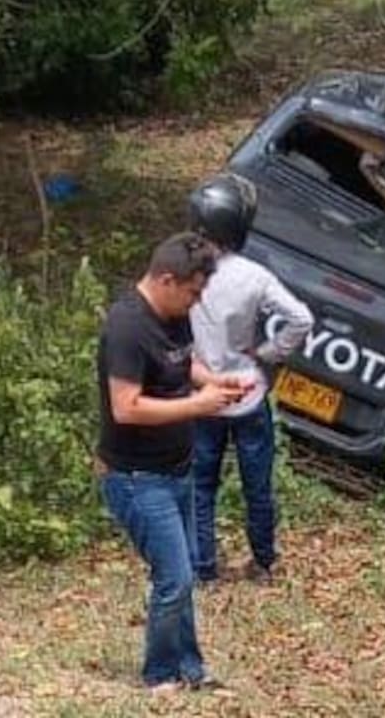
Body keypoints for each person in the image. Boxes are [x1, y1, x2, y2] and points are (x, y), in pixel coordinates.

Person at [96, 232, 251, 693]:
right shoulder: (126, 328)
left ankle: (191, 668)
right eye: (193, 292)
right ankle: (159, 674)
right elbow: (126, 406)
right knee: (175, 579)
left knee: (182, 579)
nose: (197, 302)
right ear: (166, 279)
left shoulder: (173, 315)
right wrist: (199, 407)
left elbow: (182, 366)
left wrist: (216, 383)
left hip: (176, 469)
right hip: (137, 479)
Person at [188, 174, 314, 585]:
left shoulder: (188, 273)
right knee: (256, 484)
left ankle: (204, 568)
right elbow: (301, 319)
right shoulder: (255, 276)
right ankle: (263, 563)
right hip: (248, 393)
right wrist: (267, 353)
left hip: (204, 395)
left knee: (201, 484)